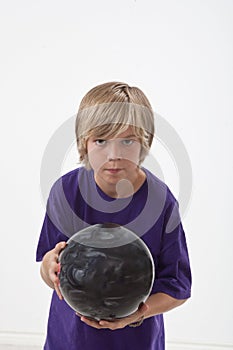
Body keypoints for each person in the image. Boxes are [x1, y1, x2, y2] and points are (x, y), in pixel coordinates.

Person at [36, 81, 192, 350]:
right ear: (83, 142)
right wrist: (48, 267)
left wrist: (137, 314)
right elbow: (48, 266)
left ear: (145, 142)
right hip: (71, 338)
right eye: (101, 140)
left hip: (136, 340)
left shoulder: (160, 201)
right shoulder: (66, 192)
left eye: (127, 141)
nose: (114, 155)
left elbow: (178, 287)